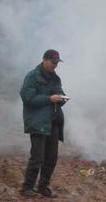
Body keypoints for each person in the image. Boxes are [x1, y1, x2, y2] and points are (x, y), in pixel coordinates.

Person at [20, 50, 68, 198]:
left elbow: (58, 93)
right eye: (53, 62)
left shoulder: (55, 78)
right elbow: (27, 98)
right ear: (44, 60)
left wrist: (62, 98)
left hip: (53, 122)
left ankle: (43, 186)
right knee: (37, 157)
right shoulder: (32, 76)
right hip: (38, 122)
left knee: (52, 157)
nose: (55, 66)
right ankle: (27, 187)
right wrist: (49, 99)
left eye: (57, 63)